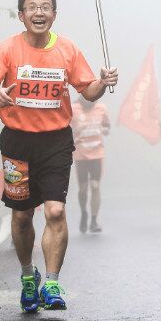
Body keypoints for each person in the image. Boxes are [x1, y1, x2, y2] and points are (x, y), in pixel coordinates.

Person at [0, 0, 118, 312]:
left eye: (45, 7)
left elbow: (89, 91)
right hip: (17, 141)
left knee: (55, 211)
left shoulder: (67, 50)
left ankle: (52, 283)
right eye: (32, 7)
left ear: (54, 15)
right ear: (21, 15)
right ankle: (29, 276)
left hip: (55, 141)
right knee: (23, 215)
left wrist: (103, 81)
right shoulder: (7, 49)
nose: (39, 13)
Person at [71, 97, 111, 234]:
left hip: (97, 154)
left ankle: (94, 220)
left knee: (95, 186)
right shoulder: (73, 108)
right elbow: (64, 126)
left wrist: (105, 130)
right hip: (80, 154)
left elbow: (107, 125)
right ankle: (84, 213)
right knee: (83, 189)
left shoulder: (101, 108)